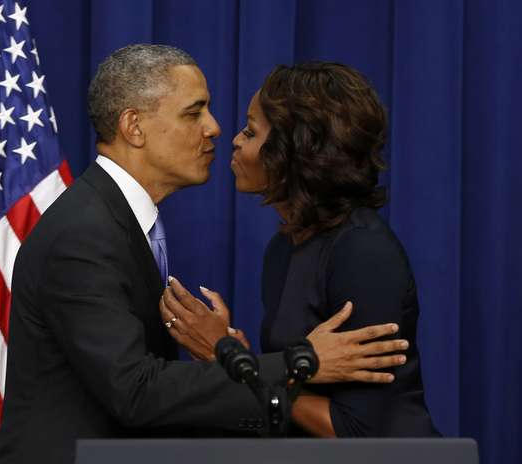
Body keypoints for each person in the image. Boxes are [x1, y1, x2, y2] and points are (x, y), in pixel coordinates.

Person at [0, 46, 410, 463]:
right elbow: (135, 392)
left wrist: (231, 359)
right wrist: (300, 363)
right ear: (134, 126)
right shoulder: (84, 233)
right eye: (194, 113)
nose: (214, 128)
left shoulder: (117, 220)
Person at [161, 62, 439, 437]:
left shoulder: (362, 253)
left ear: (293, 151)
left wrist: (234, 364)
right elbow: (296, 385)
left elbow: (355, 431)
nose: (235, 140)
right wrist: (246, 361)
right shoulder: (283, 247)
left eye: (251, 130)